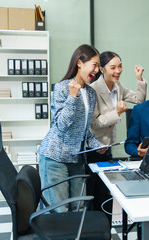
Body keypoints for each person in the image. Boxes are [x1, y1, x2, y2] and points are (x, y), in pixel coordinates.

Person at [38, 44, 107, 213]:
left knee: (79, 207)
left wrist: (98, 145)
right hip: (55, 158)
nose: (97, 70)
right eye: (95, 65)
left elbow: (84, 130)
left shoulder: (91, 93)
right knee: (59, 210)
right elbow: (61, 126)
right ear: (80, 63)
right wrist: (72, 97)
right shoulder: (62, 88)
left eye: (99, 66)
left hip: (76, 158)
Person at [90, 51, 147, 152]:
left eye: (120, 66)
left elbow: (139, 99)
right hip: (94, 147)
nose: (118, 71)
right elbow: (93, 123)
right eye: (113, 68)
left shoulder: (117, 86)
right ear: (102, 69)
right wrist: (117, 112)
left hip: (108, 145)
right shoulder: (93, 90)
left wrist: (139, 78)